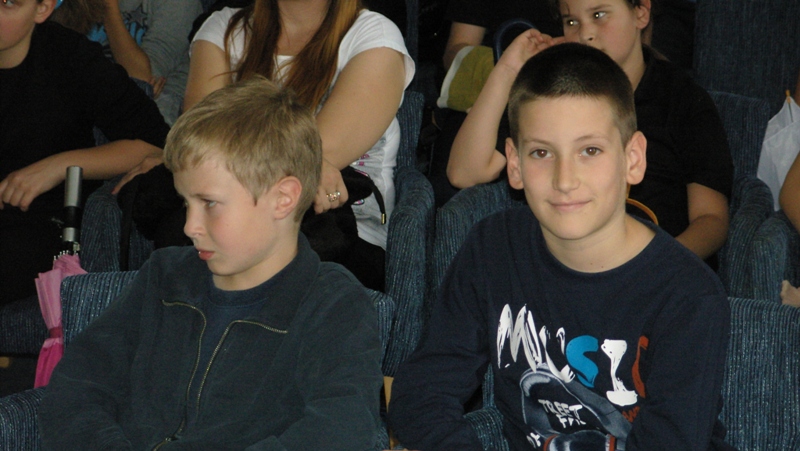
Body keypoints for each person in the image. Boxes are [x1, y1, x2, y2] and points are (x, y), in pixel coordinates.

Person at [388, 43, 733, 450]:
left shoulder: (688, 295)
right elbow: (421, 393)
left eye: (590, 151)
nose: (564, 179)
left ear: (633, 158)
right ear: (514, 164)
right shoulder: (493, 248)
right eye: (541, 153)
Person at [38, 78, 384, 449]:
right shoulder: (164, 276)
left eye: (210, 203)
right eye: (186, 203)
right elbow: (78, 385)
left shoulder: (333, 305)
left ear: (283, 199)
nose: (189, 226)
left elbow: (340, 429)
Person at [124, 0, 414, 290]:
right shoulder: (223, 29)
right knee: (179, 245)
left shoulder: (376, 37)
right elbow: (198, 151)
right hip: (227, 219)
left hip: (339, 228)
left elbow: (306, 159)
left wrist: (224, 151)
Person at [446, 0, 732, 265]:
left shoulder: (683, 100)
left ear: (641, 12)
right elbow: (463, 172)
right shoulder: (554, 96)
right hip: (562, 267)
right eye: (571, 22)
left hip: (659, 269)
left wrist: (656, 265)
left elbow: (711, 219)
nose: (585, 34)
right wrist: (508, 70)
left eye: (599, 15)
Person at [0, 0, 169, 305]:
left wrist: (59, 166)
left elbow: (154, 143)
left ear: (43, 9)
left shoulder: (70, 57)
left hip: (43, 223)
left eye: (8, 3)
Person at [50, 0, 204, 124]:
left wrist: (109, 8)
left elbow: (141, 82)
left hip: (160, 100)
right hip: (90, 92)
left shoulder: (179, 3)